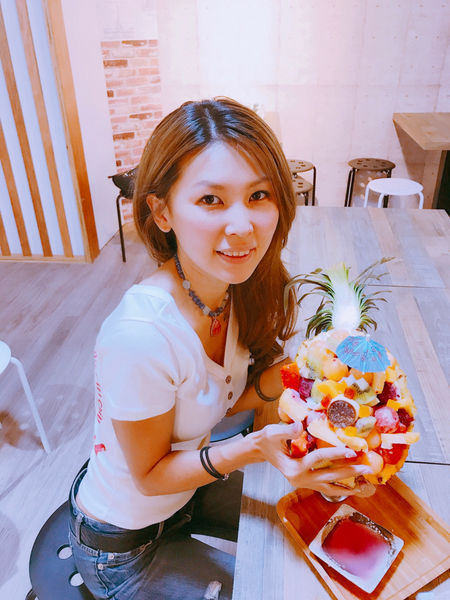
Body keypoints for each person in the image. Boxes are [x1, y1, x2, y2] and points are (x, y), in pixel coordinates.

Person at [68, 97, 374, 600]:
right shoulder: (140, 335)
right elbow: (148, 478)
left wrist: (302, 370)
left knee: (334, 522)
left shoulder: (231, 289)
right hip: (122, 544)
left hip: (188, 493)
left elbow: (220, 401)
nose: (242, 225)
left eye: (259, 195)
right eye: (211, 200)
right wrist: (254, 448)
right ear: (162, 211)